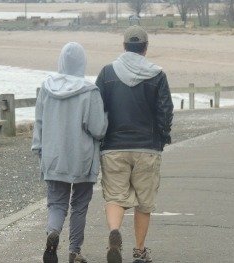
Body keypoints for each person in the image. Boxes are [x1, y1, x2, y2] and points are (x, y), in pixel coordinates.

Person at [96, 25, 174, 263]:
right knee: (144, 201)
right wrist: (162, 137)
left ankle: (114, 232)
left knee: (115, 197)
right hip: (147, 148)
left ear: (124, 46)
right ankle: (139, 251)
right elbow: (165, 111)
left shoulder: (107, 73)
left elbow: (97, 109)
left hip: (113, 147)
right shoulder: (157, 74)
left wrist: (101, 137)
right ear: (146, 48)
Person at [32, 42, 107, 263]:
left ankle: (53, 232)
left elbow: (39, 123)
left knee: (56, 203)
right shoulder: (90, 91)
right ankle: (74, 251)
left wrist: (39, 150)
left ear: (61, 61)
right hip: (81, 158)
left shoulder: (46, 88)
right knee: (79, 205)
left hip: (53, 156)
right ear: (82, 63)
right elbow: (97, 129)